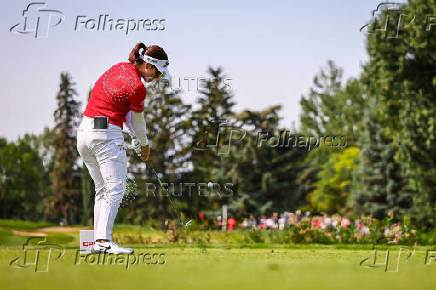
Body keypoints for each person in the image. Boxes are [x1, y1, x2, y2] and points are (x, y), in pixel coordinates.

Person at [76, 42, 170, 254]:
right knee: (115, 187)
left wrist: (134, 138)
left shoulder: (119, 67)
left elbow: (122, 111)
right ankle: (104, 241)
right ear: (149, 66)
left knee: (102, 189)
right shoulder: (138, 88)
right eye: (157, 72)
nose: (156, 78)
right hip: (105, 135)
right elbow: (138, 121)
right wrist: (144, 144)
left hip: (84, 132)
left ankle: (93, 243)